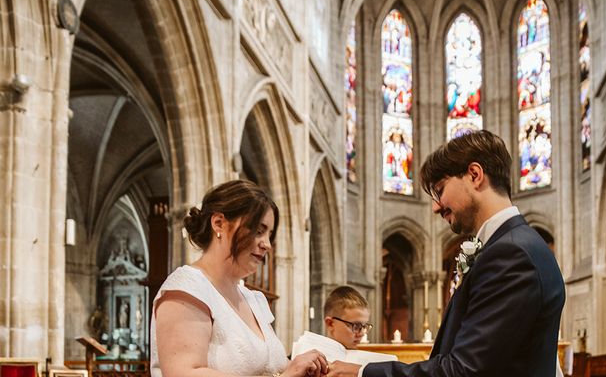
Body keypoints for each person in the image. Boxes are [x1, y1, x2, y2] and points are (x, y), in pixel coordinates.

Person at [328, 130, 565, 377]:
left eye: (440, 190)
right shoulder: (514, 245)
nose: (435, 207)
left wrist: (362, 373)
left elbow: (463, 370)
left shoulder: (512, 254)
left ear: (475, 175)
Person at [151, 179, 328, 377]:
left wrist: (300, 367)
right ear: (219, 223)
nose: (267, 244)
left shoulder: (250, 298)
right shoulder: (187, 290)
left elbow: (269, 367)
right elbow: (183, 373)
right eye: (259, 231)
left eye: (269, 234)